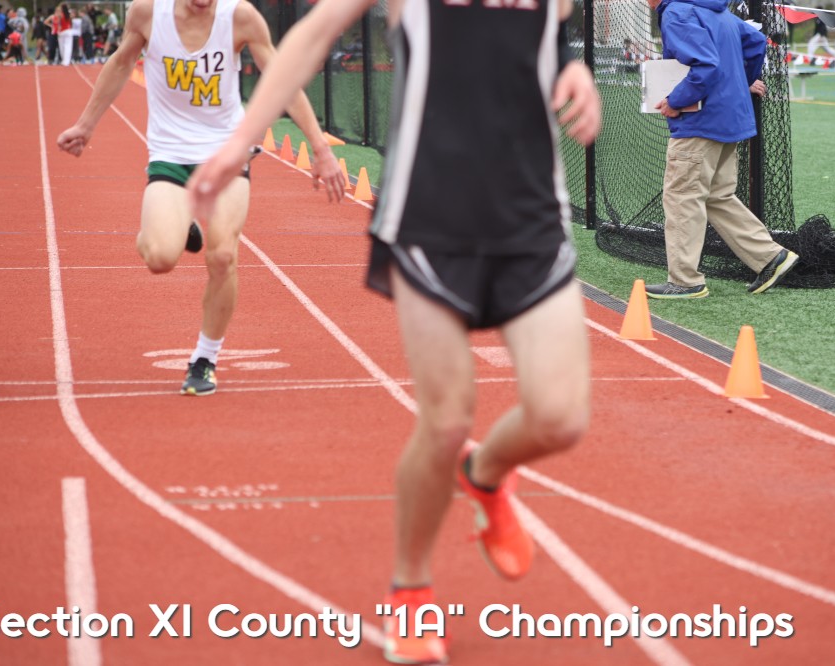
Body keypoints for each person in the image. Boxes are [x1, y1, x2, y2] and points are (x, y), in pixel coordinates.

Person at [189, 0, 600, 663]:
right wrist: (238, 143)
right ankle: (411, 588)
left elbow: (547, 35)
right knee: (445, 421)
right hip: (428, 221)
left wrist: (572, 69)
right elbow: (314, 34)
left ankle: (485, 473)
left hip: (531, 221)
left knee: (561, 417)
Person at [56, 0, 345, 395]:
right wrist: (85, 125)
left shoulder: (240, 17)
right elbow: (121, 63)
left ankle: (204, 359)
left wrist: (320, 148)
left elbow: (282, 80)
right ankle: (173, 225)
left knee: (223, 254)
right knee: (160, 258)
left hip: (227, 152)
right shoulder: (147, 14)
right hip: (171, 153)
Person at [643, 0, 798, 300]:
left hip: (700, 122)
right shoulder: (716, 10)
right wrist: (740, 82)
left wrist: (675, 101)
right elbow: (755, 42)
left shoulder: (676, 12)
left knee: (682, 197)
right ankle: (770, 257)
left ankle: (685, 281)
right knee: (717, 195)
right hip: (730, 119)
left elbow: (705, 66)